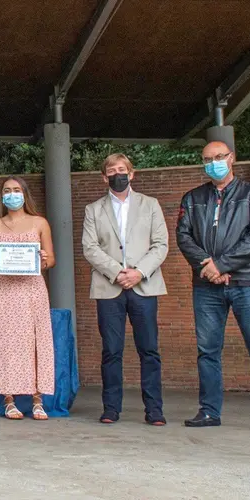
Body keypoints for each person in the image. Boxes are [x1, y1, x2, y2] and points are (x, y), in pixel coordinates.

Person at [176, 140, 250, 434]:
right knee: (207, 351)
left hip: (248, 284)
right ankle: (209, 411)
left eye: (219, 157)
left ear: (232, 158)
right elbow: (183, 237)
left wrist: (222, 265)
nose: (213, 162)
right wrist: (206, 266)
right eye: (207, 159)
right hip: (206, 286)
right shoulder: (192, 198)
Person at [81, 153, 168, 426]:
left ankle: (154, 409)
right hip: (110, 287)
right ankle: (111, 408)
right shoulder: (93, 209)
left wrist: (138, 272)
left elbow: (160, 244)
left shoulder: (151, 205)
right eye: (111, 170)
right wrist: (117, 272)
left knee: (149, 349)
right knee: (111, 351)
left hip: (144, 285)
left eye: (122, 170)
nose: (117, 174)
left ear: (132, 174)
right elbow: (90, 247)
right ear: (104, 176)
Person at [0, 177, 55, 420]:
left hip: (33, 289)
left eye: (16, 190)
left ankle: (37, 399)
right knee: (6, 343)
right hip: (5, 290)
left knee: (35, 341)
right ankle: (9, 399)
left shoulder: (40, 222)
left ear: (24, 194)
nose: (11, 194)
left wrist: (44, 258)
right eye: (6, 191)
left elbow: (51, 261)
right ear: (1, 196)